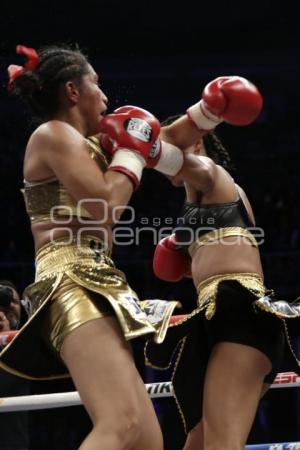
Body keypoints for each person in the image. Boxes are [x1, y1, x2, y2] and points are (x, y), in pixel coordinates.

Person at [0, 43, 264, 450]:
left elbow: (160, 143)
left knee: (145, 438)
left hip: (97, 279)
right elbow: (103, 207)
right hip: (68, 281)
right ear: (73, 91)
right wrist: (129, 151)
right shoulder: (52, 135)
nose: (105, 97)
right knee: (121, 425)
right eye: (97, 84)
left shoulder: (91, 145)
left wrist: (208, 111)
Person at [147, 125, 300, 450]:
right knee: (198, 445)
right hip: (221, 316)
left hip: (241, 314)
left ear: (196, 142)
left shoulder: (214, 175)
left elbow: (187, 167)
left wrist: (142, 147)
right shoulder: (202, 207)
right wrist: (184, 251)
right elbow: (228, 250)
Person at [0, 280, 31, 450]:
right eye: (4, 300)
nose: (9, 305)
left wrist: (5, 337)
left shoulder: (28, 343)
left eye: (15, 302)